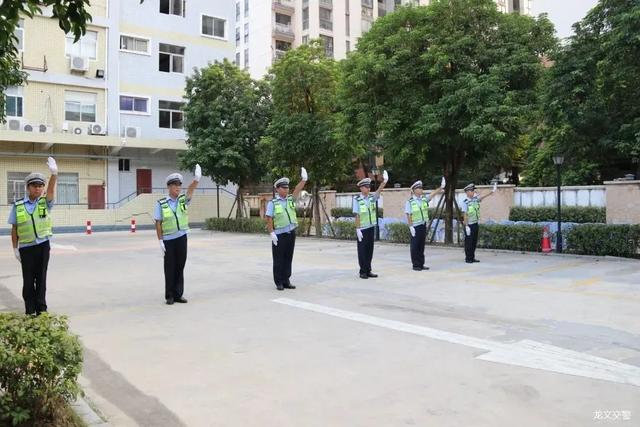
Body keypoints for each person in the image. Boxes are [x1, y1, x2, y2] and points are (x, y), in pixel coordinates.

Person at [8, 157, 58, 315]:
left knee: (41, 278)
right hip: (26, 248)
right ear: (28, 188)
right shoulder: (18, 206)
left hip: (43, 245)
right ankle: (30, 310)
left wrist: (54, 174)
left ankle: (41, 310)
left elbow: (50, 191)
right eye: (34, 186)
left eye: (40, 186)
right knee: (28, 281)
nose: (38, 189)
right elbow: (14, 229)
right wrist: (15, 249)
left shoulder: (45, 202)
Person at [154, 164, 201, 305]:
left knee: (180, 266)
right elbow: (158, 223)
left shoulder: (182, 200)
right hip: (168, 240)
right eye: (175, 185)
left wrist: (196, 180)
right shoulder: (161, 203)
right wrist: (160, 241)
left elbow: (191, 190)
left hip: (181, 238)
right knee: (170, 267)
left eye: (179, 185)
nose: (178, 187)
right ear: (169, 187)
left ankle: (178, 294)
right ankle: (169, 295)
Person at [265, 167, 308, 291]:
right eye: (284, 188)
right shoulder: (273, 203)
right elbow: (269, 218)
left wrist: (303, 180)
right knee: (279, 259)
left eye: (287, 187)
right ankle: (278, 281)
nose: (286, 190)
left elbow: (297, 190)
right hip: (279, 235)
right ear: (278, 189)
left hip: (290, 233)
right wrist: (271, 233)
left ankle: (286, 280)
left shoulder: (290, 199)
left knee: (288, 258)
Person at [353, 171, 388, 279]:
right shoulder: (357, 200)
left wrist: (384, 182)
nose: (368, 189)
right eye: (366, 187)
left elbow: (378, 191)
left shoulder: (371, 198)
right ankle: (362, 271)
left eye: (369, 187)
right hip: (362, 229)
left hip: (370, 227)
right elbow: (357, 215)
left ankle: (368, 270)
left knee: (369, 250)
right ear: (361, 188)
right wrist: (357, 229)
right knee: (362, 251)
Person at [405, 177, 445, 271]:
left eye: (421, 188)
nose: (421, 190)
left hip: (423, 225)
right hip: (415, 226)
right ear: (414, 190)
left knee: (421, 246)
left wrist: (441, 187)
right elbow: (409, 215)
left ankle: (421, 263)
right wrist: (411, 227)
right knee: (415, 246)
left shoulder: (423, 200)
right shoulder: (410, 202)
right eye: (419, 188)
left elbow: (432, 195)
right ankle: (415, 265)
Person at [462, 182, 497, 263]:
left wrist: (492, 192)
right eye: (472, 191)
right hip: (469, 225)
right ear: (467, 192)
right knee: (469, 243)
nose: (474, 192)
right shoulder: (465, 202)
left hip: (475, 224)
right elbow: (465, 214)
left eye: (474, 191)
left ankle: (472, 257)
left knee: (474, 242)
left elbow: (482, 197)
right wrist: (466, 226)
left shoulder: (475, 200)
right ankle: (468, 258)